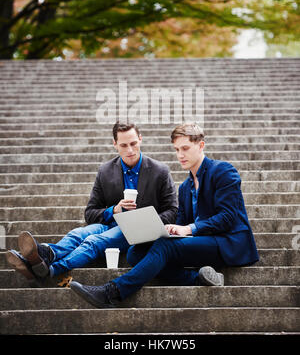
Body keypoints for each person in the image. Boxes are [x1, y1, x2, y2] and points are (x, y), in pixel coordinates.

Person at [70, 123, 259, 308]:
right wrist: (165, 229)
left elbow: (227, 218)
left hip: (228, 243)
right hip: (202, 243)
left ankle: (112, 292)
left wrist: (188, 229)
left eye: (185, 148)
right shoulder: (185, 187)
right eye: (177, 149)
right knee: (137, 252)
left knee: (165, 247)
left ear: (201, 145)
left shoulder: (223, 171)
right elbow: (181, 222)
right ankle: (197, 280)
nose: (180, 155)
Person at [6, 122, 178, 283]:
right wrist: (114, 210)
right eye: (124, 145)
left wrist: (146, 221)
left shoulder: (160, 171)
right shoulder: (105, 171)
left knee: (94, 241)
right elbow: (90, 213)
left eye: (133, 143)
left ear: (140, 138)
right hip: (111, 223)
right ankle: (45, 254)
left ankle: (50, 269)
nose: (130, 150)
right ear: (115, 144)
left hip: (140, 230)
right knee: (77, 234)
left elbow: (172, 210)